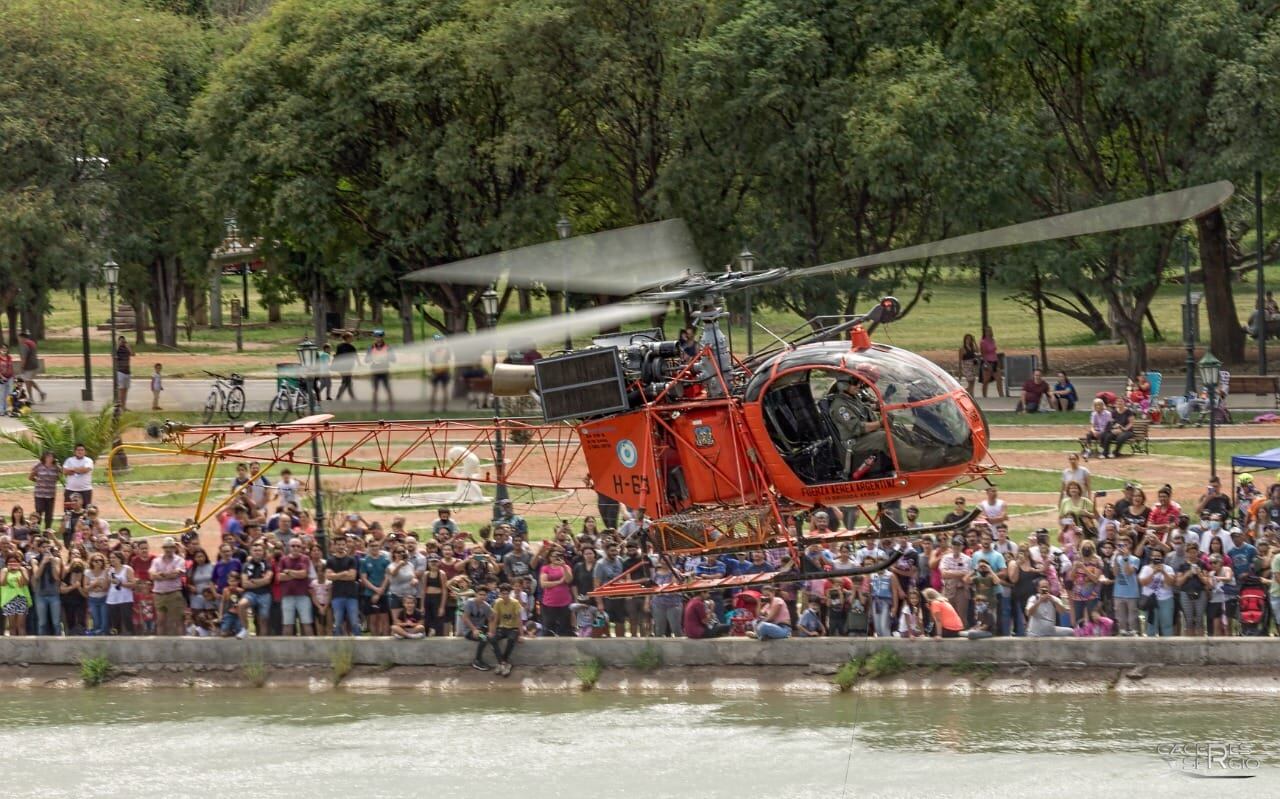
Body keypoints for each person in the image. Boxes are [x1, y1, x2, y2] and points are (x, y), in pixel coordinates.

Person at [151, 537, 187, 636]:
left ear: (174, 548)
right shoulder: (156, 560)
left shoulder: (179, 560)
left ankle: (180, 643)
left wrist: (161, 575)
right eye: (166, 547)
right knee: (160, 621)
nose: (168, 549)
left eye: (170, 547)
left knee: (178, 620)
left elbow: (175, 574)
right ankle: (161, 643)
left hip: (173, 593)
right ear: (163, 548)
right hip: (159, 594)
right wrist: (168, 575)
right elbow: (152, 575)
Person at [277, 539, 313, 636]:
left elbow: (304, 574)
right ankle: (286, 650)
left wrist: (288, 572)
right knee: (287, 624)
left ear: (301, 547)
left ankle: (312, 649)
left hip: (303, 596)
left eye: (298, 546)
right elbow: (280, 577)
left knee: (307, 623)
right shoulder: (283, 559)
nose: (295, 548)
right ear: (289, 547)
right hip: (287, 596)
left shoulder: (305, 558)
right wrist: (297, 574)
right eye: (293, 546)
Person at [326, 539, 361, 636]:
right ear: (334, 546)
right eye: (338, 544)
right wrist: (344, 573)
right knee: (337, 623)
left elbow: (352, 577)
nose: (341, 546)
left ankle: (360, 646)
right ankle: (338, 647)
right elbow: (328, 576)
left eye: (342, 544)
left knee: (354, 622)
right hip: (337, 595)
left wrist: (336, 576)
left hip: (351, 595)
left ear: (345, 545)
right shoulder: (330, 560)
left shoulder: (351, 559)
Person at [487, 583, 522, 675]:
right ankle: (502, 662)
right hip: (502, 627)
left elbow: (519, 619)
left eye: (507, 593)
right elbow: (495, 618)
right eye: (503, 593)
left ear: (510, 593)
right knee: (492, 639)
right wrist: (492, 632)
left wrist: (521, 635)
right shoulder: (498, 602)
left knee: (511, 639)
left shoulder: (515, 603)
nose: (505, 596)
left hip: (513, 628)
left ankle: (503, 661)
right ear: (500, 594)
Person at [1139, 551, 1175, 636]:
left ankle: (1168, 646)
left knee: (1167, 624)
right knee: (1151, 625)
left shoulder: (1168, 568)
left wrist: (1163, 572)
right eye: (1154, 556)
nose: (1156, 558)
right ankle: (1151, 647)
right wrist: (1153, 572)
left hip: (1166, 599)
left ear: (1162, 557)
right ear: (1151, 557)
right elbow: (1143, 582)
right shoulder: (1146, 568)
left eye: (1158, 556)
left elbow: (1171, 582)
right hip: (1150, 600)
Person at [461, 589, 496, 670]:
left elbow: (491, 619)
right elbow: (465, 618)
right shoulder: (469, 603)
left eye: (484, 595)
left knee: (493, 636)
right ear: (476, 595)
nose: (482, 596)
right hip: (469, 630)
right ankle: (477, 661)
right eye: (480, 594)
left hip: (481, 629)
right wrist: (474, 629)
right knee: (484, 638)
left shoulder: (486, 606)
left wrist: (491, 632)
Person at [106, 550, 135, 635]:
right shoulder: (110, 570)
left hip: (125, 599)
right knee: (114, 624)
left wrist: (120, 583)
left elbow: (133, 584)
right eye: (110, 558)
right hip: (112, 600)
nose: (112, 559)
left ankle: (131, 638)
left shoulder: (127, 569)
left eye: (114, 558)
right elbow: (108, 585)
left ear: (120, 559)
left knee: (127, 621)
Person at [365, 329, 395, 412]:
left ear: (383, 337)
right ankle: (374, 408)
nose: (378, 338)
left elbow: (393, 359)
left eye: (380, 337)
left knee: (388, 389)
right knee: (375, 390)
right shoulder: (371, 347)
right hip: (375, 371)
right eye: (376, 337)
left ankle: (391, 408)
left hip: (385, 370)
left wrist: (386, 358)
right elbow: (366, 360)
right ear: (374, 337)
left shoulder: (388, 347)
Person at [0, 554, 30, 637]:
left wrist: (21, 571)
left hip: (21, 598)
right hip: (9, 599)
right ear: (6, 563)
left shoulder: (22, 570)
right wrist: (7, 571)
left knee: (21, 625)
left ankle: (23, 646)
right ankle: (13, 647)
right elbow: (2, 583)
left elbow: (24, 583)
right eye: (10, 562)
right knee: (12, 626)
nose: (12, 563)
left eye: (15, 562)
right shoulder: (4, 570)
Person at [28, 451, 59, 530]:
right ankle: (36, 530)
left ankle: (47, 531)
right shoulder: (39, 466)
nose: (49, 458)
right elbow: (31, 477)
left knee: (49, 515)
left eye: (51, 457)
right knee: (38, 512)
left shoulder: (56, 467)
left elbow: (59, 477)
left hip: (51, 494)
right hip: (39, 494)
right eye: (48, 456)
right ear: (44, 457)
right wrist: (39, 482)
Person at [62, 443, 95, 508]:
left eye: (82, 450)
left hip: (85, 490)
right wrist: (79, 470)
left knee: (86, 511)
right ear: (75, 451)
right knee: (69, 510)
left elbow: (85, 470)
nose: (80, 452)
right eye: (78, 450)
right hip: (70, 490)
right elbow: (65, 471)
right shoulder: (69, 460)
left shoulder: (88, 461)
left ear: (85, 452)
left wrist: (72, 469)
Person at [18, 330, 45, 403]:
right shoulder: (32, 343)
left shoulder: (24, 345)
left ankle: (31, 398)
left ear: (23, 337)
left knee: (27, 382)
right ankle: (41, 393)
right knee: (29, 381)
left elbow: (24, 358)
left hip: (28, 367)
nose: (19, 339)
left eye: (20, 338)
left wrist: (21, 367)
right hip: (34, 365)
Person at [428, 334, 451, 413]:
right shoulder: (446, 349)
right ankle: (443, 408)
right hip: (443, 371)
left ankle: (433, 408)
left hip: (437, 371)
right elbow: (448, 359)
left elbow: (431, 360)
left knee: (436, 390)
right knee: (442, 390)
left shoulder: (432, 350)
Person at [978, 326, 1002, 398]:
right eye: (987, 331)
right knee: (986, 380)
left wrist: (998, 361)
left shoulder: (993, 340)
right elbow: (983, 354)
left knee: (999, 379)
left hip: (994, 361)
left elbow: (994, 351)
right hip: (987, 362)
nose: (989, 332)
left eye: (990, 331)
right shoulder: (983, 342)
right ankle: (984, 396)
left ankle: (1001, 395)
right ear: (985, 333)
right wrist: (987, 364)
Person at [334, 332, 358, 401]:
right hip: (347, 367)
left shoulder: (339, 346)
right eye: (351, 337)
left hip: (342, 367)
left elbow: (337, 356)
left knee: (348, 382)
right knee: (345, 383)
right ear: (347, 338)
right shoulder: (351, 347)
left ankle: (352, 397)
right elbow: (355, 357)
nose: (352, 339)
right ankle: (338, 398)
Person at [113, 335, 133, 410]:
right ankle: (120, 407)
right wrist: (118, 345)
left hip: (127, 372)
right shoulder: (117, 349)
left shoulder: (126, 349)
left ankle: (124, 406)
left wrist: (128, 346)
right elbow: (113, 355)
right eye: (121, 341)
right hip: (120, 372)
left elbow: (132, 354)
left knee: (125, 390)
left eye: (123, 341)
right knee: (121, 390)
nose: (122, 342)